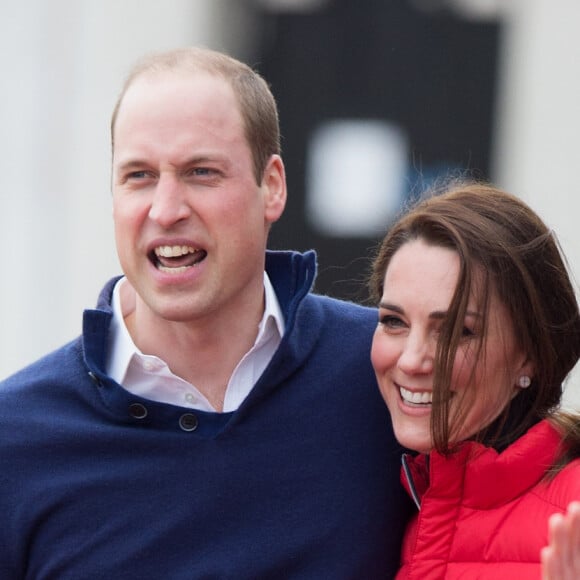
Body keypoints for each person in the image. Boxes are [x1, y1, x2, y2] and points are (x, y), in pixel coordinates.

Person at [0, 47, 411, 579]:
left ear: (273, 186)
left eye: (201, 172)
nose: (166, 210)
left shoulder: (388, 375)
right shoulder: (16, 440)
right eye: (139, 176)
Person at [368, 181, 580, 579]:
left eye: (457, 332)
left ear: (530, 353)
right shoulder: (392, 502)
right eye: (393, 322)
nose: (412, 360)